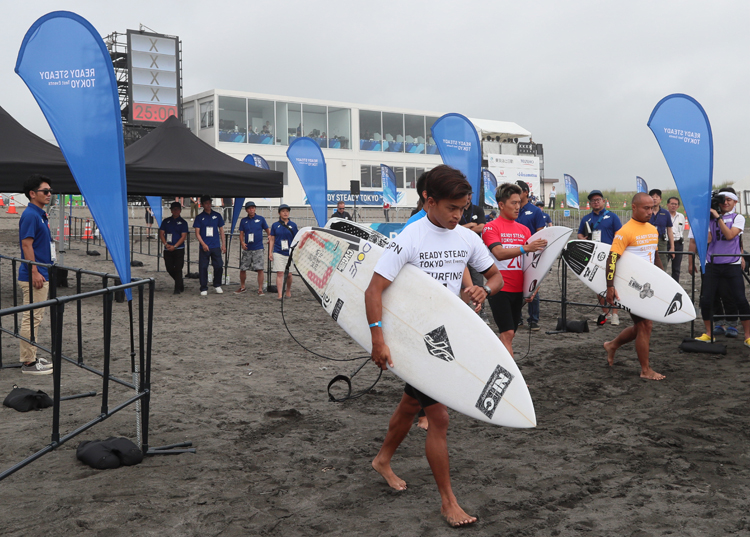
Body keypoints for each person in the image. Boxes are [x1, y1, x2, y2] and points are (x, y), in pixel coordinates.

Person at [365, 165, 503, 527]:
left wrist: (482, 290)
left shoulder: (466, 239)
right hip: (412, 338)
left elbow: (496, 276)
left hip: (445, 336)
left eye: (464, 208)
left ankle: (382, 459)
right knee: (438, 417)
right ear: (429, 200)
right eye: (452, 208)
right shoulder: (410, 237)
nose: (459, 216)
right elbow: (373, 289)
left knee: (413, 403)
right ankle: (448, 502)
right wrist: (378, 339)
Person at [603, 193, 665, 380]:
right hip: (631, 287)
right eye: (646, 208)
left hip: (648, 286)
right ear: (634, 207)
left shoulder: (653, 230)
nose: (650, 211)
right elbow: (612, 259)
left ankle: (612, 345)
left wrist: (664, 281)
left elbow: (655, 257)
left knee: (641, 326)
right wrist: (610, 287)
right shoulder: (625, 231)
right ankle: (645, 370)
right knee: (645, 324)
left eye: (652, 208)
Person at [483, 183, 547, 356]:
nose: (518, 207)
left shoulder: (524, 230)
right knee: (508, 333)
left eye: (519, 202)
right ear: (501, 205)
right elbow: (498, 253)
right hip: (499, 289)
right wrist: (525, 248)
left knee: (509, 335)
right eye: (513, 203)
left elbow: (533, 264)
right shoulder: (491, 227)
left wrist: (533, 289)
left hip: (519, 291)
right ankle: (512, 381)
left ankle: (491, 359)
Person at [692, 189, 750, 345]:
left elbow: (730, 235)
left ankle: (747, 336)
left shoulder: (738, 218)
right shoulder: (710, 219)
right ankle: (709, 333)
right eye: (722, 201)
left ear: (735, 202)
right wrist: (703, 219)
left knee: (740, 299)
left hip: (731, 264)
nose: (725, 203)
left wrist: (718, 218)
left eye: (729, 200)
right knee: (706, 300)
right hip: (713, 264)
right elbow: (709, 239)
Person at [17, 175, 54, 375]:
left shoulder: (38, 214)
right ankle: (28, 363)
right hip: (35, 274)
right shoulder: (31, 215)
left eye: (50, 191)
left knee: (34, 317)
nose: (49, 194)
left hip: (39, 271)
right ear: (33, 194)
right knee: (32, 318)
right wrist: (34, 271)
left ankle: (30, 357)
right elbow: (26, 244)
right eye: (45, 191)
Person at [577, 189, 623, 326]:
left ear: (603, 201)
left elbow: (619, 234)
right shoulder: (586, 219)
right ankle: (606, 313)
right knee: (597, 284)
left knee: (613, 284)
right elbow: (579, 234)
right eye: (593, 200)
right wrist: (582, 238)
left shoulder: (612, 217)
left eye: (598, 200)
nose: (596, 202)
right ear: (590, 203)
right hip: (594, 255)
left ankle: (615, 314)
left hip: (610, 254)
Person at [515, 180, 546, 331]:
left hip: (532, 253)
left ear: (526, 192)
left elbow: (541, 232)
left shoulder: (535, 211)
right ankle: (517, 318)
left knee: (533, 285)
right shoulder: (512, 210)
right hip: (516, 252)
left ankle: (533, 320)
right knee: (516, 285)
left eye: (518, 190)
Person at [193, 195, 226, 296]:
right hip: (204, 246)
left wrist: (223, 244)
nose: (208, 205)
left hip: (215, 245)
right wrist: (203, 244)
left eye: (209, 203)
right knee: (203, 267)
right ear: (202, 204)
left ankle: (217, 284)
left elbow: (221, 230)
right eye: (206, 203)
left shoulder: (217, 215)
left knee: (219, 265)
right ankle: (203, 287)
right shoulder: (199, 217)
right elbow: (197, 233)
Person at [237, 201, 269, 295]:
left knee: (260, 269)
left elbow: (267, 230)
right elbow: (241, 233)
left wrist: (269, 237)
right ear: (246, 210)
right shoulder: (243, 221)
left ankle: (260, 289)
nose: (251, 210)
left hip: (258, 247)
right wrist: (242, 242)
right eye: (249, 208)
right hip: (248, 248)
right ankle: (242, 286)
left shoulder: (261, 219)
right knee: (243, 268)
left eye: (253, 208)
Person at [269, 204, 298, 300]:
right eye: (283, 211)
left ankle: (288, 290)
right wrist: (270, 252)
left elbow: (296, 239)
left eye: (287, 211)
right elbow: (272, 239)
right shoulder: (275, 225)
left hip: (289, 252)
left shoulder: (293, 225)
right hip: (278, 251)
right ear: (279, 213)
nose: (285, 213)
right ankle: (280, 294)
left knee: (289, 274)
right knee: (280, 273)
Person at [159, 202, 189, 294]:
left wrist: (175, 246)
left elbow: (183, 236)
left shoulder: (183, 222)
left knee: (178, 268)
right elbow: (161, 233)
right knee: (169, 268)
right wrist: (165, 244)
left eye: (177, 209)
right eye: (174, 209)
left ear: (180, 210)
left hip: (179, 249)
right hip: (167, 248)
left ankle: (177, 288)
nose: (176, 211)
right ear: (171, 210)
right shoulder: (166, 221)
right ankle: (179, 282)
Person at [648, 189, 674, 271]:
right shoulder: (646, 212)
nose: (654, 199)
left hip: (662, 242)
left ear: (660, 199)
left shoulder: (665, 213)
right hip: (648, 241)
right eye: (652, 197)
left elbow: (669, 229)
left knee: (662, 264)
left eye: (657, 197)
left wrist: (672, 247)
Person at [667, 196, 686, 283]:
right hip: (667, 243)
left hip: (678, 243)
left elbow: (681, 230)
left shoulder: (681, 216)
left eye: (676, 204)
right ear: (668, 205)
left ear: (678, 206)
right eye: (672, 204)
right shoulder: (664, 215)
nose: (673, 206)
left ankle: (675, 286)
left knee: (676, 269)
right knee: (663, 267)